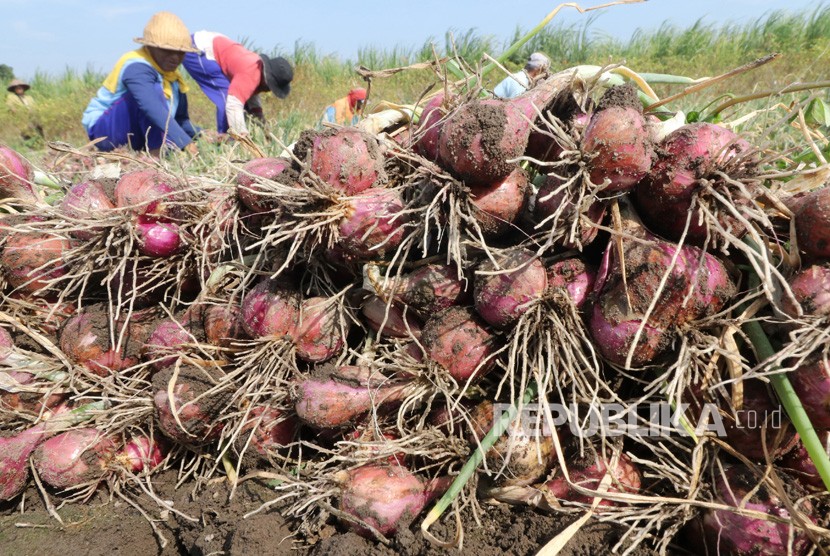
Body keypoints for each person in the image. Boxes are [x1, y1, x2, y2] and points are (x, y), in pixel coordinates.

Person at [82, 11, 201, 156]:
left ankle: (156, 150)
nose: (175, 58)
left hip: (136, 135)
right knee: (154, 93)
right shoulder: (136, 66)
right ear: (150, 47)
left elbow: (181, 120)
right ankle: (156, 155)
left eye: (180, 52)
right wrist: (185, 143)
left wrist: (200, 134)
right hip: (105, 132)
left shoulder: (173, 79)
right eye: (167, 51)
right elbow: (150, 106)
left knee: (173, 136)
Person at [182, 32, 293, 136]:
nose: (268, 91)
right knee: (227, 99)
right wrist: (242, 137)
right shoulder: (250, 72)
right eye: (270, 87)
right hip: (197, 49)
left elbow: (252, 101)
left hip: (212, 47)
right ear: (267, 80)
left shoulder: (257, 71)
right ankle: (226, 142)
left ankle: (230, 138)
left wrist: (264, 128)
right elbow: (233, 105)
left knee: (238, 103)